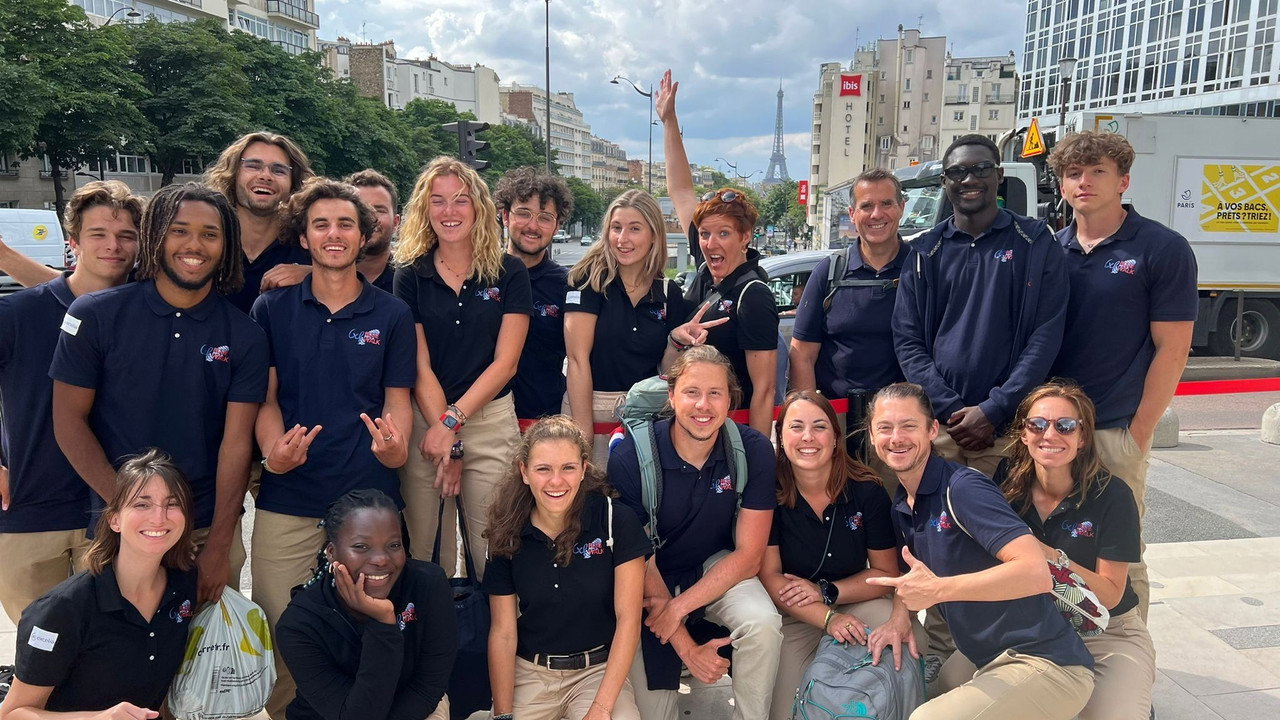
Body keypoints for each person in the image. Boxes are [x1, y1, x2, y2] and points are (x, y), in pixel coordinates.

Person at [50, 182, 268, 603]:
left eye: (210, 234)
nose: (194, 245)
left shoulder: (245, 335)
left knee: (208, 646)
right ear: (154, 236)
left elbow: (237, 445)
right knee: (118, 643)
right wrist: (130, 509)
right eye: (179, 230)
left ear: (227, 245)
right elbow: (68, 421)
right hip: (118, 525)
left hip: (204, 527)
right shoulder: (96, 315)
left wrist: (220, 544)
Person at [249, 177, 416, 716]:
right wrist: (273, 453)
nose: (334, 233)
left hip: (368, 497)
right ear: (303, 238)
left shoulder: (391, 314)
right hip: (289, 495)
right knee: (280, 624)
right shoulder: (271, 309)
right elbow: (264, 399)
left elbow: (397, 399)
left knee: (368, 625)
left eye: (346, 223)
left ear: (364, 234)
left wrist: (396, 449)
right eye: (320, 224)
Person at [863, 383, 1094, 720]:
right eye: (885, 427)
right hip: (987, 659)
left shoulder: (963, 488)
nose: (896, 437)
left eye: (908, 425)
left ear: (932, 430)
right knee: (939, 685)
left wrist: (940, 589)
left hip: (1046, 662)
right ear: (872, 436)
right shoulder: (903, 501)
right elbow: (911, 573)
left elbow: (1035, 571)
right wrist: (899, 619)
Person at [1047, 131, 1198, 621]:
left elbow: (1173, 349)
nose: (1084, 182)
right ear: (1062, 185)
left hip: (1115, 427)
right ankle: (1070, 644)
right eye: (1074, 173)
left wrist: (1140, 431)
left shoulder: (1162, 248)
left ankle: (1129, 651)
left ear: (1123, 181)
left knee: (1120, 555)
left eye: (1098, 171)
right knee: (1053, 547)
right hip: (1052, 430)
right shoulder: (1051, 251)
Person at [607, 345, 781, 720]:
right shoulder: (631, 458)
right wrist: (688, 649)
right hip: (649, 579)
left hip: (713, 567)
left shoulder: (752, 450)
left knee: (762, 623)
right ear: (671, 396)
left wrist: (679, 609)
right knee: (654, 714)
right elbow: (639, 563)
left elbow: (749, 556)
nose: (703, 405)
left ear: (730, 399)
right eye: (692, 392)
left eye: (715, 393)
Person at [0, 182, 143, 624]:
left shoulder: (148, 316)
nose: (112, 246)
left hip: (113, 514)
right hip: (30, 508)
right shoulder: (19, 313)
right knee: (39, 649)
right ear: (73, 242)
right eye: (98, 234)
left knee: (110, 648)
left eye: (126, 235)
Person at [893, 134, 1068, 478]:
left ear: (999, 175)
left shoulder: (1035, 242)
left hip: (1007, 430)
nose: (969, 179)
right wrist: (951, 410)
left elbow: (1045, 337)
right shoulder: (925, 251)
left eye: (982, 169)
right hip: (942, 431)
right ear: (944, 182)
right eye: (958, 172)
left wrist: (994, 409)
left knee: (1004, 515)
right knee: (935, 515)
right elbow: (907, 341)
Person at [394, 156, 532, 578]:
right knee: (427, 552)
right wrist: (444, 433)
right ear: (424, 210)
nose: (449, 211)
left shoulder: (508, 272)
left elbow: (506, 363)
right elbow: (419, 365)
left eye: (460, 199)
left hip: (488, 422)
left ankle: (491, 623)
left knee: (493, 550)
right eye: (437, 201)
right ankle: (435, 623)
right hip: (426, 421)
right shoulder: (410, 274)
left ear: (479, 208)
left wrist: (452, 424)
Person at [993, 382, 1153, 719]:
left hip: (1107, 631)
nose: (1050, 434)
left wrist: (1048, 554)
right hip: (1031, 624)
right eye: (1037, 424)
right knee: (953, 680)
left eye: (1065, 425)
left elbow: (1110, 594)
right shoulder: (1007, 481)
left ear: (1082, 438)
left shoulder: (1113, 495)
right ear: (1024, 434)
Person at [0, 449, 197, 720]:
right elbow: (12, 714)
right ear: (114, 520)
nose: (159, 517)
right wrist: (97, 718)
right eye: (142, 504)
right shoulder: (62, 609)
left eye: (172, 504)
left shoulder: (184, 582)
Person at [759, 390, 913, 720]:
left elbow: (886, 574)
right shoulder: (768, 492)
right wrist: (828, 619)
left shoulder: (866, 490)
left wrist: (827, 592)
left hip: (856, 600)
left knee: (907, 643)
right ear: (781, 437)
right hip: (796, 612)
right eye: (796, 427)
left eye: (819, 427)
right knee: (783, 712)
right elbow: (771, 576)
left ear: (835, 437)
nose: (808, 437)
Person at [484, 415, 649, 720]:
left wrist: (600, 709)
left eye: (568, 468)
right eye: (543, 469)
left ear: (584, 469)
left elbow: (629, 621)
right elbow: (503, 634)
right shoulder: (507, 533)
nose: (556, 481)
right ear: (524, 472)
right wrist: (503, 715)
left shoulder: (615, 521)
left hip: (596, 672)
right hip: (531, 672)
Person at [657, 70, 778, 436]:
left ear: (745, 237)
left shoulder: (752, 295)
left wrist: (758, 458)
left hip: (729, 432)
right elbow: (681, 190)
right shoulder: (708, 269)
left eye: (724, 233)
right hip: (692, 425)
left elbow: (764, 391)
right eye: (705, 234)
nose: (710, 243)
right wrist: (669, 121)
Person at [276, 489, 456, 720]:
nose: (381, 559)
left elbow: (428, 686)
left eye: (394, 545)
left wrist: (383, 621)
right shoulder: (299, 624)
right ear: (331, 553)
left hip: (413, 711)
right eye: (361, 546)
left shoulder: (429, 584)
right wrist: (383, 622)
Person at [789, 168, 910, 492]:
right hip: (838, 420)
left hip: (899, 424)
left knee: (894, 509)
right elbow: (802, 353)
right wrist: (814, 419)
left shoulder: (922, 269)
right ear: (852, 214)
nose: (876, 214)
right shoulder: (829, 272)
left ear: (901, 207)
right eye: (866, 206)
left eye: (886, 203)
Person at [564, 190, 687, 465]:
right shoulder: (588, 282)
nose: (622, 239)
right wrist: (584, 436)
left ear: (654, 235)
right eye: (616, 228)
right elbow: (576, 359)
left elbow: (666, 374)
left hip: (648, 417)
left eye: (634, 229)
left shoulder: (668, 293)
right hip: (592, 408)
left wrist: (676, 342)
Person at [493, 167, 575, 426]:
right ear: (505, 216)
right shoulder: (479, 275)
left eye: (544, 217)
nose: (532, 226)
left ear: (557, 226)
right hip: (483, 421)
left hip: (544, 421)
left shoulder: (568, 285)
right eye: (523, 213)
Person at [202, 131, 315, 313]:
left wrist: (314, 275)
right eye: (253, 166)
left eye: (278, 170)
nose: (265, 176)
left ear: (294, 183)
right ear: (233, 174)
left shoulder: (308, 246)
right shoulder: (206, 242)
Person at [345, 169, 403, 293]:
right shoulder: (319, 278)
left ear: (396, 222)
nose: (371, 218)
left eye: (380, 210)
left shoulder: (411, 280)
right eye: (362, 209)